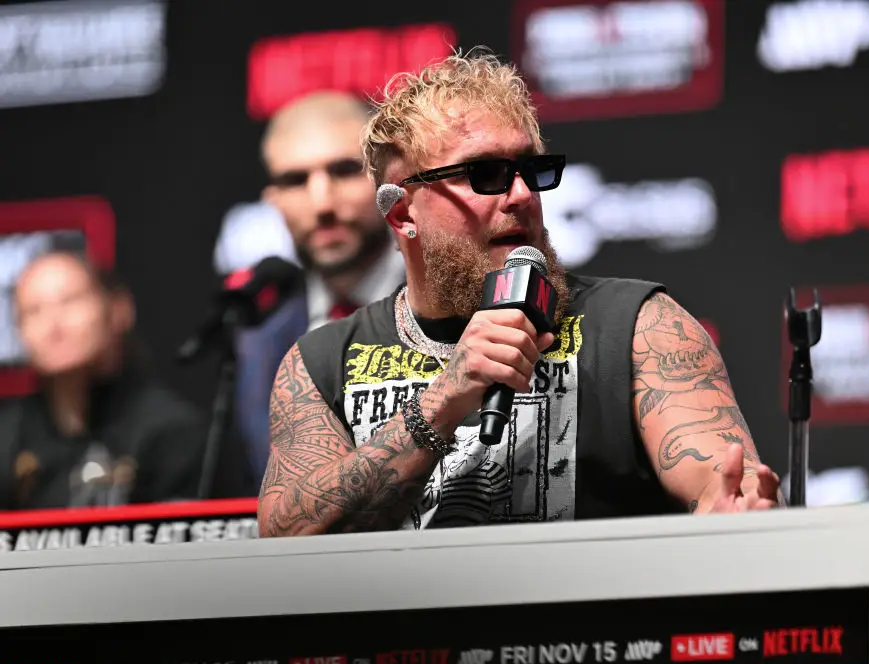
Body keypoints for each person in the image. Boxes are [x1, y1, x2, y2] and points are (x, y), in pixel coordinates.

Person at [257, 51, 784, 537]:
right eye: (485, 174)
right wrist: (444, 401)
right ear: (402, 213)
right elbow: (284, 536)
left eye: (531, 170)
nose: (522, 195)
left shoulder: (637, 326)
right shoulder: (322, 361)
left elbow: (717, 477)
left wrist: (732, 511)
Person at [232, 91, 406, 482]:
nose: (321, 202)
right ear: (272, 200)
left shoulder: (447, 302)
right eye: (295, 180)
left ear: (390, 179)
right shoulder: (260, 336)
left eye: (344, 170)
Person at [0, 252, 223, 509]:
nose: (53, 324)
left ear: (118, 309)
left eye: (70, 301)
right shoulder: (7, 435)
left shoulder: (172, 432)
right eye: (33, 311)